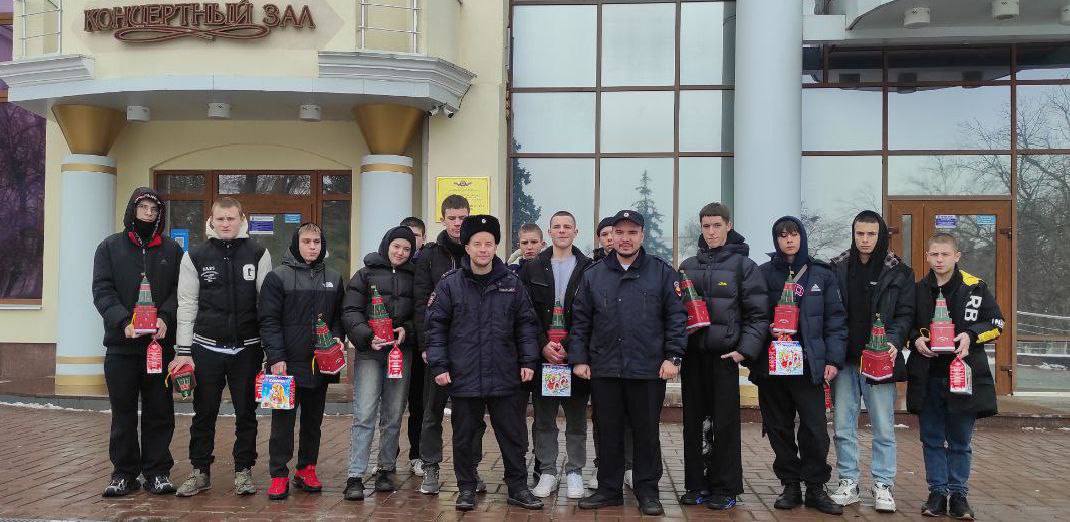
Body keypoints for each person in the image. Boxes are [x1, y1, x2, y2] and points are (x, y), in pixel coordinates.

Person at [568, 209, 688, 516]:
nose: (625, 238)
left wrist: (673, 357)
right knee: (608, 431)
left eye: (632, 232)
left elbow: (676, 318)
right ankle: (609, 490)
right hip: (605, 368)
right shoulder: (594, 275)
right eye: (619, 232)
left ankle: (647, 491)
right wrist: (579, 359)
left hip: (648, 369)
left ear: (642, 236)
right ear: (611, 236)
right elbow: (580, 321)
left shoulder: (662, 272)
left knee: (646, 433)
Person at [425, 215, 543, 512]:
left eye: (488, 243)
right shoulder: (450, 284)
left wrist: (528, 360)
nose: (483, 249)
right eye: (477, 243)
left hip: (505, 374)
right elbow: (436, 327)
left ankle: (518, 487)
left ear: (495, 247)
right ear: (467, 247)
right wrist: (439, 366)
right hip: (463, 374)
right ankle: (466, 488)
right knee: (465, 436)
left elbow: (526, 325)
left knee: (513, 435)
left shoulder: (512, 284)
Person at [172, 197, 272, 497]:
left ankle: (243, 471)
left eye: (231, 218)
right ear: (211, 221)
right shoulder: (195, 256)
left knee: (246, 414)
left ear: (241, 219)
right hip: (206, 349)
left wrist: (270, 350)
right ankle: (200, 471)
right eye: (220, 219)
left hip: (247, 349)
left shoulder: (258, 253)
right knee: (203, 414)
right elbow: (186, 304)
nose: (226, 224)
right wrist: (183, 351)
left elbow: (267, 305)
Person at [751, 216, 846, 515]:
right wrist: (769, 327)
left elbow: (836, 321)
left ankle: (816, 487)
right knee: (778, 428)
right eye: (782, 235)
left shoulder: (822, 274)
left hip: (808, 366)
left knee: (815, 430)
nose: (789, 240)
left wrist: (832, 360)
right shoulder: (763, 274)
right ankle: (790, 484)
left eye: (793, 234)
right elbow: (753, 315)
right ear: (776, 240)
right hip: (773, 366)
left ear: (802, 237)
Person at [676, 202, 769, 510]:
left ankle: (726, 488)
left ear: (728, 225)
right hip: (693, 357)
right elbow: (676, 312)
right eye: (706, 226)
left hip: (725, 357)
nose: (711, 232)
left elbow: (758, 314)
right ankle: (696, 485)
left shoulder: (745, 266)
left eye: (717, 225)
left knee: (724, 425)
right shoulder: (688, 265)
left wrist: (744, 350)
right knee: (693, 424)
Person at [92, 187, 183, 497]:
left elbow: (179, 291)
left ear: (160, 214)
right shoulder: (110, 247)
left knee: (160, 411)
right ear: (133, 209)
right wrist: (123, 322)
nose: (148, 213)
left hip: (158, 348)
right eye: (143, 207)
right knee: (124, 413)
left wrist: (166, 318)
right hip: (122, 347)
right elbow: (102, 291)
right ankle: (124, 474)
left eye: (153, 209)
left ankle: (157, 472)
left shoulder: (171, 250)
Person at [909, 233, 1003, 520]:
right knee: (932, 439)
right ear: (927, 256)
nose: (939, 260)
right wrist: (915, 339)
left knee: (961, 440)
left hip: (964, 376)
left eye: (945, 254)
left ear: (957, 256)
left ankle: (959, 496)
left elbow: (997, 324)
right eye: (934, 254)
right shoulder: (917, 290)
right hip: (929, 376)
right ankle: (937, 493)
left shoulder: (975, 287)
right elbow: (905, 324)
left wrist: (970, 335)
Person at [828, 211, 916, 513]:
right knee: (843, 426)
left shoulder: (900, 272)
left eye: (871, 234)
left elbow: (906, 314)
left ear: (881, 236)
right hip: (845, 360)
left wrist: (893, 341)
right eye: (860, 234)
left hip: (880, 361)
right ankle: (848, 481)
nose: (865, 240)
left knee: (883, 426)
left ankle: (883, 484)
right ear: (853, 234)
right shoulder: (837, 267)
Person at [258, 223, 345, 500]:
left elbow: (338, 318)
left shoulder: (334, 277)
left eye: (317, 242)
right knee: (282, 424)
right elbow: (269, 321)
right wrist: (276, 357)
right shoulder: (277, 277)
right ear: (296, 244)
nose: (312, 247)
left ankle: (307, 469)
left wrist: (337, 338)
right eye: (306, 241)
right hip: (285, 365)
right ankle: (279, 475)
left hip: (320, 364)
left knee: (312, 422)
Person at [413, 194, 486, 494]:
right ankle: (430, 466)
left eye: (462, 218)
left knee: (471, 416)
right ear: (442, 219)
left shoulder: (478, 251)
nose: (457, 223)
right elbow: (421, 303)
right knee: (432, 412)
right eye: (452, 218)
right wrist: (426, 346)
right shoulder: (430, 255)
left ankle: (471, 469)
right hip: (438, 346)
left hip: (471, 349)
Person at [519, 211, 594, 500]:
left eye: (567, 227)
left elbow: (591, 315)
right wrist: (542, 345)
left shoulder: (589, 268)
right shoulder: (532, 268)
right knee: (544, 420)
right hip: (544, 360)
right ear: (549, 232)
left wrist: (571, 347)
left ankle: (575, 472)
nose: (562, 231)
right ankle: (547, 472)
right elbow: (525, 313)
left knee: (576, 421)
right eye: (557, 227)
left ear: (576, 232)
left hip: (575, 359)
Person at [342, 226, 417, 500]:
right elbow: (350, 310)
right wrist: (365, 335)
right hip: (370, 353)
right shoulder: (365, 274)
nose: (401, 252)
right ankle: (355, 475)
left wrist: (407, 330)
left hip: (400, 352)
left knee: (393, 414)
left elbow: (421, 313)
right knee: (364, 414)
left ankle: (386, 468)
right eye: (397, 246)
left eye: (407, 249)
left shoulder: (415, 277)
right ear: (386, 245)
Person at [398, 216, 426, 476]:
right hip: (394, 346)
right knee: (392, 405)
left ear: (423, 239)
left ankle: (416, 454)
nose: (411, 240)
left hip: (419, 345)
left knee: (418, 404)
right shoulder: (389, 266)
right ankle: (387, 455)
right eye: (406, 234)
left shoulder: (426, 264)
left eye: (416, 235)